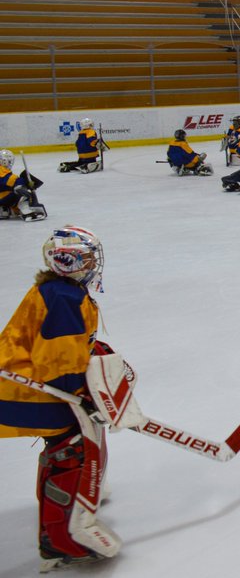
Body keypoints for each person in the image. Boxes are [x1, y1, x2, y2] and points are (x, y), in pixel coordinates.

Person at [0, 226, 124, 569]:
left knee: (68, 447)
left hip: (28, 385)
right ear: (68, 261)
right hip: (30, 393)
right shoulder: (65, 297)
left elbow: (64, 347)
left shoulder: (58, 289)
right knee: (72, 451)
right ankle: (61, 537)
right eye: (86, 257)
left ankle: (71, 506)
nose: (93, 262)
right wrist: (81, 393)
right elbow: (56, 361)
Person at [0, 149, 47, 220]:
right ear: (4, 161)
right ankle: (27, 212)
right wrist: (26, 182)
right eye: (9, 161)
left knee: (11, 189)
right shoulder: (2, 171)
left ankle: (3, 209)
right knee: (20, 189)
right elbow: (9, 180)